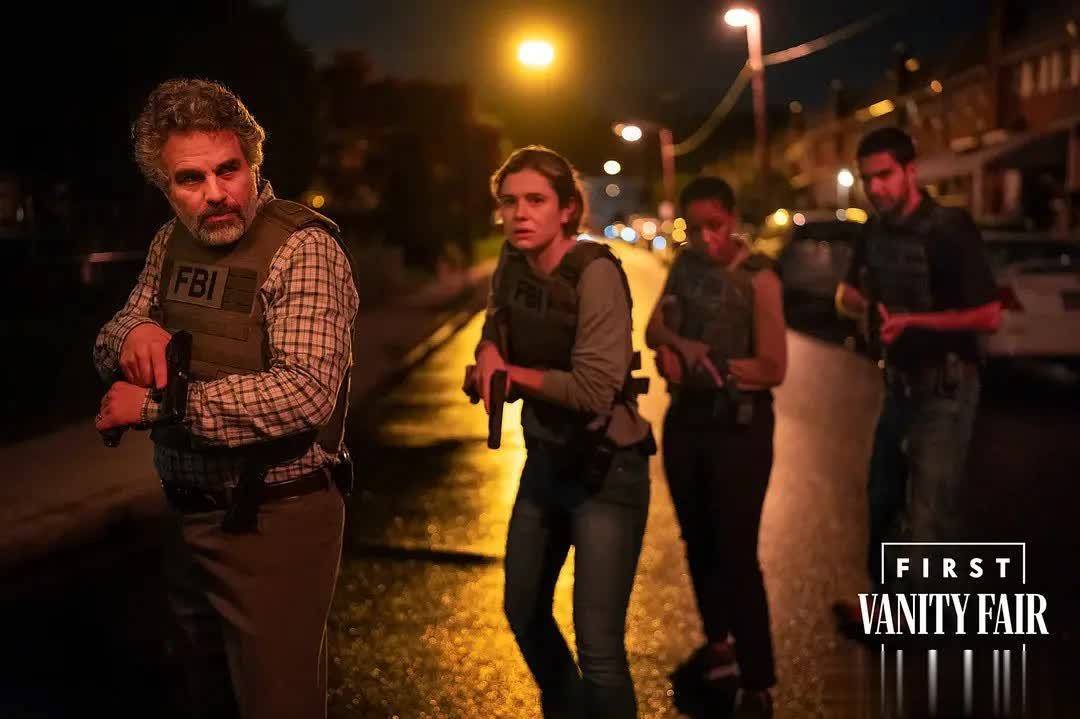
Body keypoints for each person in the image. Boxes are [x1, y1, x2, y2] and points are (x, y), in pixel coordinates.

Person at [93, 78, 358, 719]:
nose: (215, 193)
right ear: (165, 187)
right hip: (188, 517)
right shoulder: (170, 241)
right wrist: (136, 335)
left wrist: (159, 407)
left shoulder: (303, 247)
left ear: (253, 164)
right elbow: (110, 337)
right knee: (202, 698)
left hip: (276, 518)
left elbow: (304, 393)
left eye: (228, 170)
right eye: (190, 179)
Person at [473, 146, 654, 718]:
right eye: (509, 202)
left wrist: (510, 375)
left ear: (567, 209)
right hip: (546, 462)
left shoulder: (595, 272)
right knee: (523, 610)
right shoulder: (512, 261)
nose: (520, 213)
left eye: (536, 200)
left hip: (607, 469)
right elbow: (495, 324)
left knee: (599, 650)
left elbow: (595, 389)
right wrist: (487, 353)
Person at [832, 127, 1000, 628]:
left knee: (928, 507)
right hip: (899, 383)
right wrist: (862, 306)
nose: (875, 188)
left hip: (946, 384)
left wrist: (912, 321)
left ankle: (920, 624)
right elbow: (847, 293)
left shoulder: (949, 228)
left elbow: (988, 315)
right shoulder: (874, 230)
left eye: (884, 175)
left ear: (911, 171)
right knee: (883, 496)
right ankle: (887, 606)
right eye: (867, 178)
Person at [645, 177, 786, 717]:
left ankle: (758, 677)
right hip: (687, 422)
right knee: (698, 540)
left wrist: (708, 368)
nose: (706, 238)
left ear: (733, 218)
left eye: (716, 226)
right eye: (695, 227)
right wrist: (681, 345)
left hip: (739, 427)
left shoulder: (759, 278)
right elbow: (654, 328)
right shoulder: (685, 267)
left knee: (735, 549)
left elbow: (773, 366)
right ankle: (718, 645)